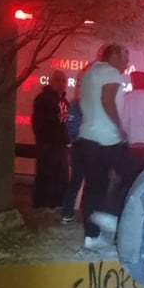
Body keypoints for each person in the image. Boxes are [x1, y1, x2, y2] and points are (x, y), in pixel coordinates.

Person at [76, 44, 132, 250]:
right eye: (125, 58)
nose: (126, 64)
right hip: (108, 138)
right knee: (131, 177)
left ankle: (91, 237)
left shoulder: (90, 72)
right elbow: (107, 101)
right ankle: (110, 214)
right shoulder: (111, 72)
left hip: (87, 137)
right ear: (114, 55)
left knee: (94, 187)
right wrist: (120, 127)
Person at [31, 70, 70, 209]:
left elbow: (65, 123)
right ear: (51, 81)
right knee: (46, 174)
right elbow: (38, 122)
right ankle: (42, 205)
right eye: (58, 80)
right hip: (48, 144)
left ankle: (57, 204)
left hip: (61, 144)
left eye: (64, 81)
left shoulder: (64, 101)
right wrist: (45, 141)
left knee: (61, 175)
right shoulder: (43, 99)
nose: (62, 84)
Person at [60, 90, 85, 223]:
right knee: (94, 182)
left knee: (75, 180)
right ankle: (89, 213)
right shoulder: (96, 105)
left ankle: (67, 212)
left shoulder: (75, 105)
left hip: (78, 146)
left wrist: (72, 141)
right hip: (90, 146)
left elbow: (69, 127)